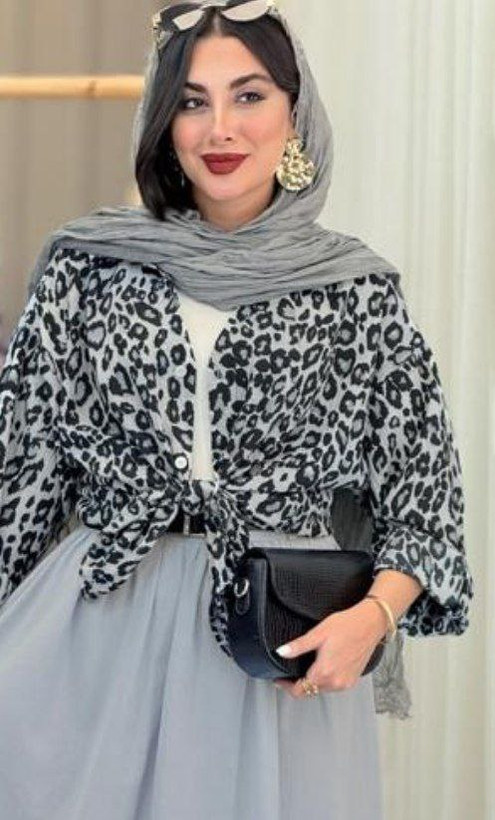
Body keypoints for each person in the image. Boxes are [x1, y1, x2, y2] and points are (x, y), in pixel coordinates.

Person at [0, 2, 474, 819]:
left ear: (295, 111)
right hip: (95, 635)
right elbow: (19, 480)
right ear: (163, 123)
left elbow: (425, 509)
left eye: (248, 95)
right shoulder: (88, 268)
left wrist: (369, 619)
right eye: (191, 101)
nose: (219, 127)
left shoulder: (355, 291)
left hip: (273, 645)